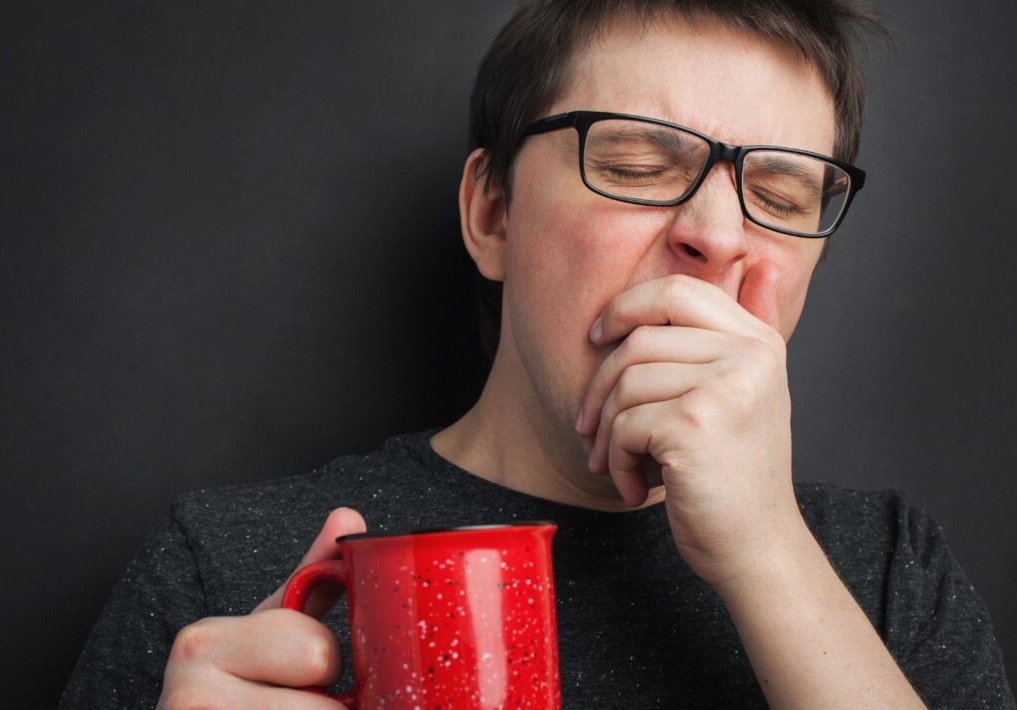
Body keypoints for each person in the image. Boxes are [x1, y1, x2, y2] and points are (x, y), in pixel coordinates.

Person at [61, 1, 1015, 707]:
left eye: (785, 192)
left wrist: (767, 551)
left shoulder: (886, 569)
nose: (718, 235)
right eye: (638, 166)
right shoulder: (222, 576)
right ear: (491, 213)